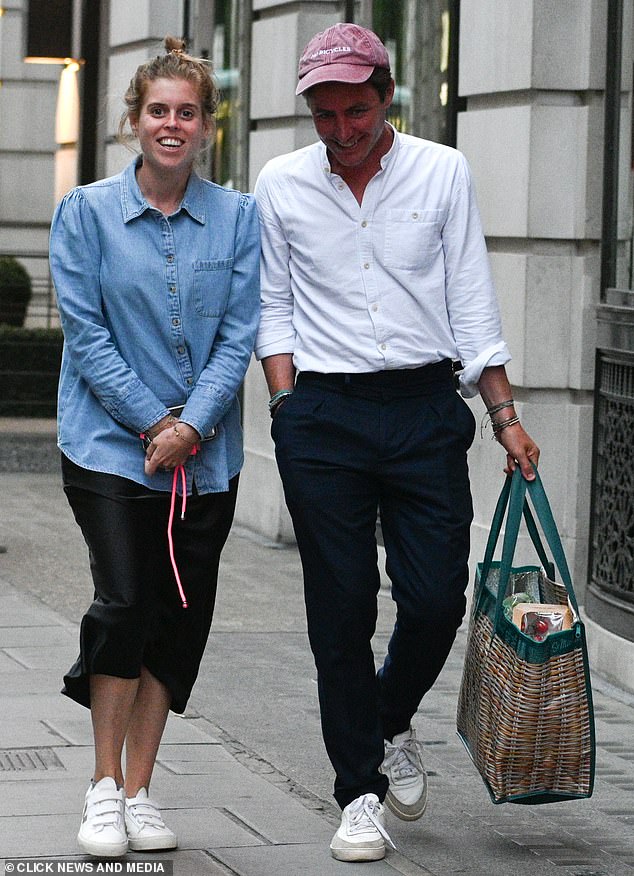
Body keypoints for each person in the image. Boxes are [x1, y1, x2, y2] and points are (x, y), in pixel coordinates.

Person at [254, 22, 540, 863]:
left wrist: (506, 416)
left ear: (387, 97)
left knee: (434, 598)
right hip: (324, 416)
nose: (342, 130)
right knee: (339, 608)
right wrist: (285, 407)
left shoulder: (442, 171)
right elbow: (273, 305)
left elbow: (473, 300)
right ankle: (357, 791)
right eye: (326, 115)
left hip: (422, 407)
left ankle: (387, 718)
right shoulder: (281, 182)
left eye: (357, 111)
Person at [49, 37, 260, 858]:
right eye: (158, 111)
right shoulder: (86, 213)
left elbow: (239, 333)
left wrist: (192, 429)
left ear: (208, 125)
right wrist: (154, 425)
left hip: (205, 455)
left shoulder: (239, 218)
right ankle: (102, 788)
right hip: (108, 445)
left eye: (188, 112)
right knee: (126, 599)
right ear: (134, 121)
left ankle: (142, 790)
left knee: (178, 619)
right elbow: (87, 334)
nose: (172, 124)